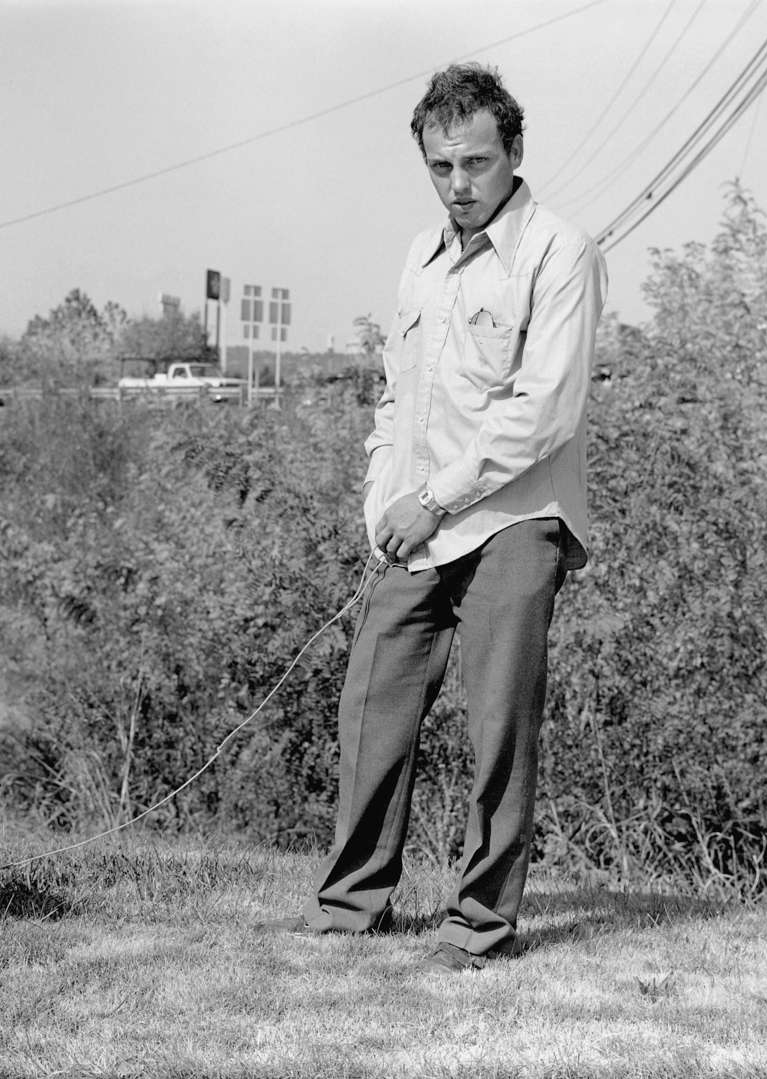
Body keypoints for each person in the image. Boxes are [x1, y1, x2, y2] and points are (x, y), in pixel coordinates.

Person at [272, 63, 607, 972]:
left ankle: (478, 924)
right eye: (440, 166)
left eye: (476, 162)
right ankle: (352, 903)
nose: (459, 184)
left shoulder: (561, 253)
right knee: (372, 705)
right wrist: (383, 498)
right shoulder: (421, 259)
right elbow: (395, 401)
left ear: (515, 151)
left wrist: (435, 501)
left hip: (516, 522)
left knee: (498, 726)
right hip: (417, 525)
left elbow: (545, 412)